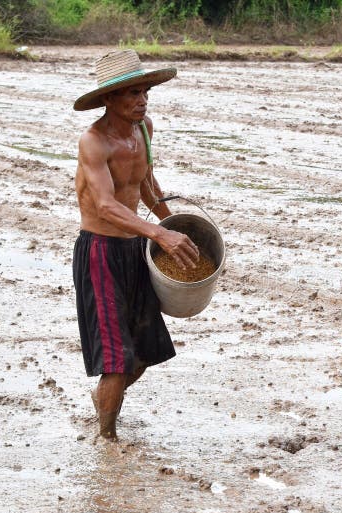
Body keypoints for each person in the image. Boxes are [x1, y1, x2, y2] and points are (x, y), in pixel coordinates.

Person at [72, 49, 199, 440]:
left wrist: (175, 225)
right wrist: (160, 234)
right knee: (115, 358)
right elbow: (107, 206)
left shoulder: (144, 130)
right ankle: (106, 440)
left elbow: (145, 185)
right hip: (101, 252)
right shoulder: (94, 142)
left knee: (144, 352)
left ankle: (103, 401)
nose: (142, 100)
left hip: (135, 247)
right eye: (132, 93)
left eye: (145, 91)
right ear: (108, 99)